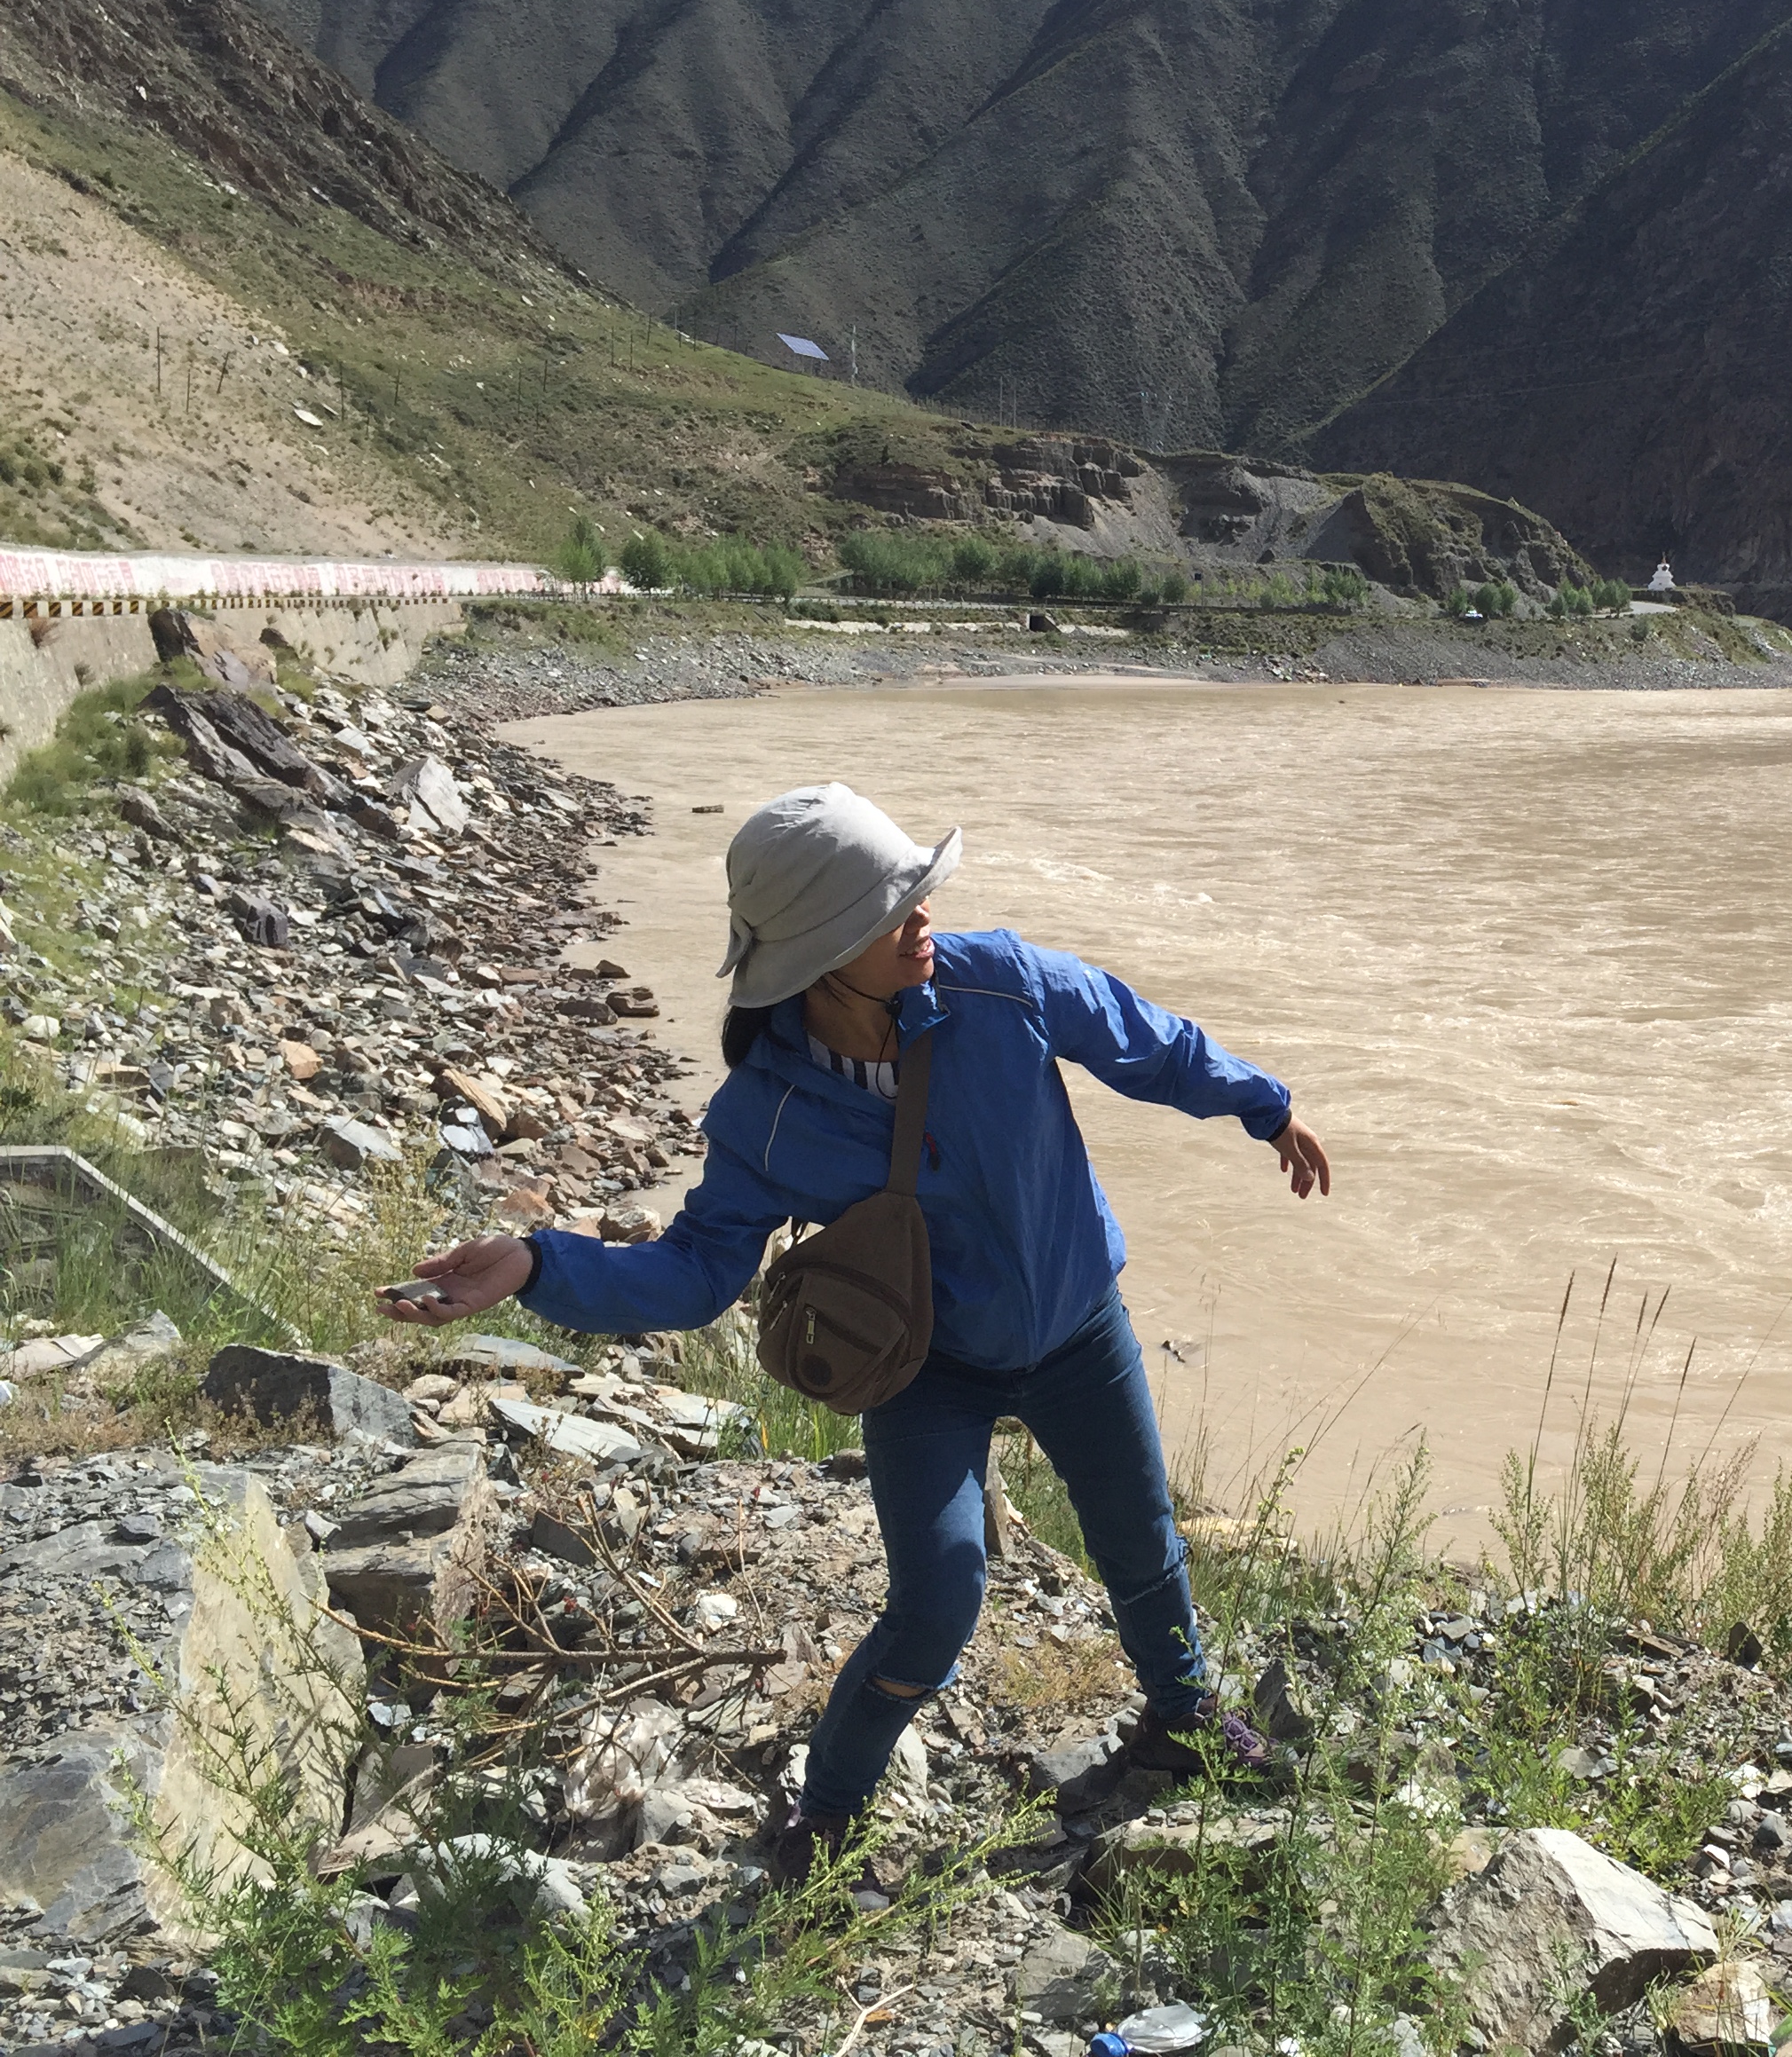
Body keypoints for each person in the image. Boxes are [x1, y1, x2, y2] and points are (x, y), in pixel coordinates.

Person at [375, 783, 1331, 1882]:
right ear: (822, 954)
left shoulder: (1000, 984)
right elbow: (692, 1275)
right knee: (940, 1596)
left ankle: (1183, 1722)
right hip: (926, 1367)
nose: (925, 916)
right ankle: (824, 1818)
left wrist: (1263, 1104)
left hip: (1076, 1324)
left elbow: (1141, 1040)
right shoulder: (766, 1114)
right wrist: (542, 1261)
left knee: (1140, 1541)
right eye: (895, 908)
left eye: (920, 893)